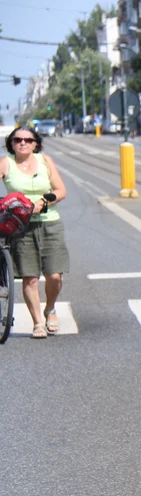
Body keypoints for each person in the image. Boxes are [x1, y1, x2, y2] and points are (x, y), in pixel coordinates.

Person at [0, 127, 69, 339]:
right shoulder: (5, 163)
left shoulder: (45, 161)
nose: (23, 143)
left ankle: (50, 309)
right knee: (30, 277)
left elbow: (61, 191)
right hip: (20, 226)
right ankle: (38, 322)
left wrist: (43, 202)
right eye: (18, 139)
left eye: (28, 140)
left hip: (49, 222)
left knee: (55, 275)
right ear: (12, 143)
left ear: (35, 143)